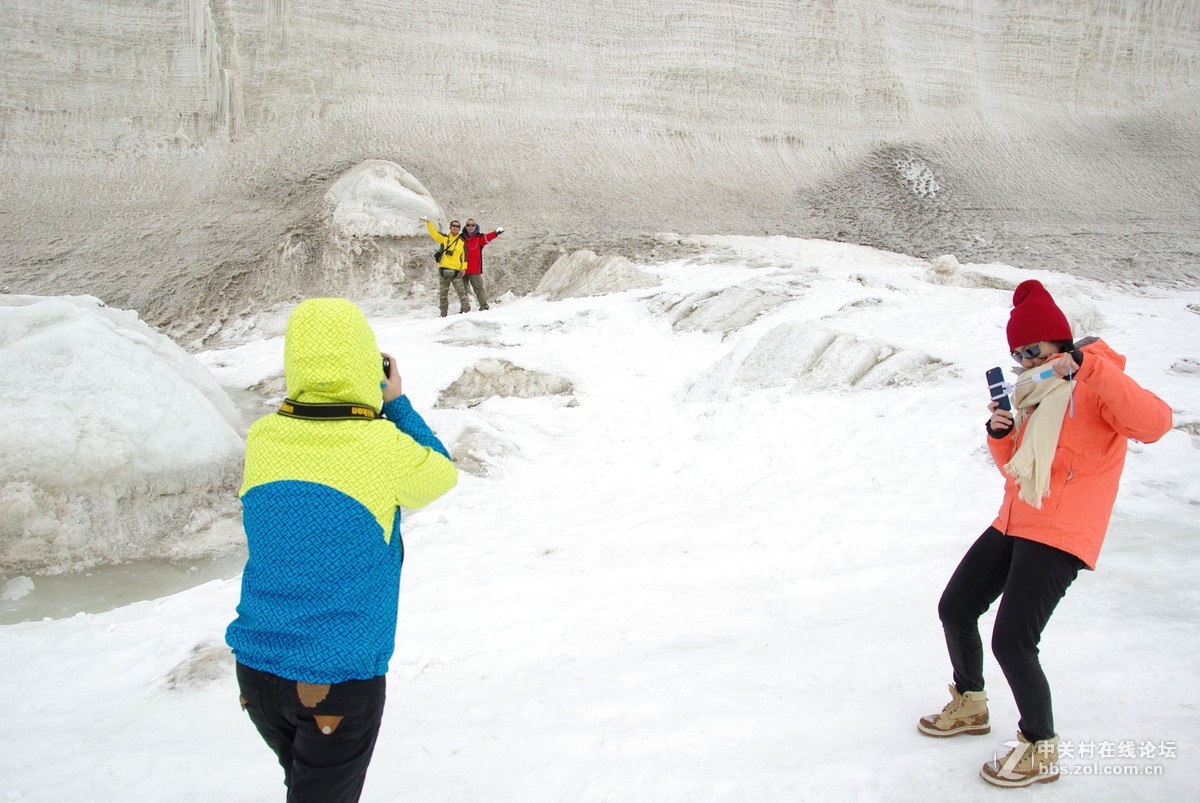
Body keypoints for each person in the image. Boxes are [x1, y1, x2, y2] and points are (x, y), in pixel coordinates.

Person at [917, 280, 1171, 788]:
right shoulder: (1036, 394)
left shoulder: (1097, 382)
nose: (1026, 361)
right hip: (1016, 519)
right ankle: (970, 704)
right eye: (1018, 354)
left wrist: (1090, 369)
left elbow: (1155, 424)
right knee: (956, 607)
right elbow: (1019, 471)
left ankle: (1039, 746)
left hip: (1062, 530)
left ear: (1061, 342)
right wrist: (1001, 434)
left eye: (1033, 350)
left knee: (1013, 640)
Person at [226, 298, 457, 802]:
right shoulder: (382, 446)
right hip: (335, 680)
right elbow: (440, 472)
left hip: (257, 670)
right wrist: (395, 403)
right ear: (364, 363)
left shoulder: (264, 437)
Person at [420, 216, 470, 317]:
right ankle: (443, 315)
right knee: (443, 295)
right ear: (450, 227)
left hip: (456, 272)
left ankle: (467, 312)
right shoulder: (444, 238)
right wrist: (429, 223)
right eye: (453, 226)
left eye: (457, 226)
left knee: (462, 293)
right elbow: (434, 234)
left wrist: (464, 268)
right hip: (444, 271)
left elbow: (464, 256)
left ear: (459, 229)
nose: (455, 228)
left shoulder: (462, 242)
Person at [461, 218, 504, 311]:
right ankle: (464, 308)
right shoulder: (461, 238)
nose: (470, 227)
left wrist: (495, 233)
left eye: (472, 225)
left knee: (478, 288)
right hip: (461, 269)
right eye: (468, 225)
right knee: (462, 290)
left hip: (474, 269)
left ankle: (484, 306)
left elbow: (487, 237)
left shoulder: (479, 238)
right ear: (465, 227)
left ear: (476, 226)